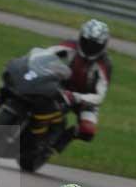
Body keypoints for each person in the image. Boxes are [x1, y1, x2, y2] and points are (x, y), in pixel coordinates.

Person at [45, 19, 113, 151]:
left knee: (88, 131)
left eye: (95, 45)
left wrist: (76, 97)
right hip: (63, 86)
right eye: (87, 42)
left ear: (103, 45)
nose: (90, 47)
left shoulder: (105, 64)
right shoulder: (70, 45)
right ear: (80, 37)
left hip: (86, 100)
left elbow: (100, 96)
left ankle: (65, 137)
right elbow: (48, 52)